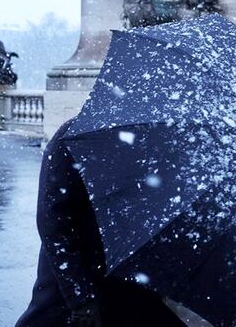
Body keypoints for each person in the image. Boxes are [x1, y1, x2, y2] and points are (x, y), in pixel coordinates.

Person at [16, 118, 185, 327]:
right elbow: (53, 222)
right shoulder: (71, 136)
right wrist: (81, 297)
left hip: (127, 283)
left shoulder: (152, 139)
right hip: (76, 279)